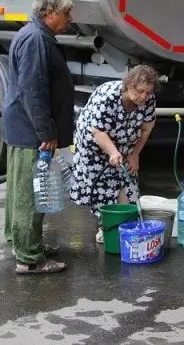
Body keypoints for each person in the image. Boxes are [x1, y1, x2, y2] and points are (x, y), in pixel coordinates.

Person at [3, 0, 75, 275]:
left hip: (25, 127)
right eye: (67, 13)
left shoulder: (35, 35)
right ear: (50, 12)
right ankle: (29, 257)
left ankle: (21, 242)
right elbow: (33, 91)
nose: (70, 19)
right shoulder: (35, 40)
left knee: (21, 190)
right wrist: (46, 132)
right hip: (31, 130)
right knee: (29, 194)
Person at [70, 65, 159, 243]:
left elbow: (147, 129)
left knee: (126, 180)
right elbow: (98, 131)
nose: (144, 97)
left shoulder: (148, 100)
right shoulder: (109, 96)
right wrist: (112, 152)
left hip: (125, 143)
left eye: (148, 92)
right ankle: (105, 227)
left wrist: (135, 155)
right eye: (140, 91)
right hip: (95, 144)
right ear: (128, 86)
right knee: (103, 185)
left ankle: (123, 225)